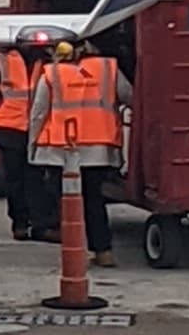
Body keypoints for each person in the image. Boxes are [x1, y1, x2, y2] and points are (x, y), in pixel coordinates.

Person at [26, 29, 123, 260]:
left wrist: (32, 146)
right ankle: (103, 250)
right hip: (98, 149)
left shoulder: (51, 74)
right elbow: (130, 96)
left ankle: (73, 251)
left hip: (61, 150)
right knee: (94, 199)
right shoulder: (107, 69)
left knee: (67, 204)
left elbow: (38, 113)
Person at [0, 38, 40, 240]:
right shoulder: (1, 57)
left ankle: (39, 222)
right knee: (15, 179)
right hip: (9, 125)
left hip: (36, 126)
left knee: (36, 178)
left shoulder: (41, 59)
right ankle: (20, 222)